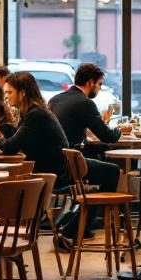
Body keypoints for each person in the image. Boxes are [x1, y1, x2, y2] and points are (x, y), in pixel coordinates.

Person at [49, 63, 126, 192]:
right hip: (71, 162)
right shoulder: (85, 103)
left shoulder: (55, 100)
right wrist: (120, 130)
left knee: (105, 149)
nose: (100, 88)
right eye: (99, 84)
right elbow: (107, 136)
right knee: (112, 170)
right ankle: (95, 210)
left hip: (54, 159)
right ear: (91, 83)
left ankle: (89, 200)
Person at [0, 71, 69, 188]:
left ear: (22, 93)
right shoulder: (32, 112)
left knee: (0, 184)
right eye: (5, 93)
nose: (6, 97)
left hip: (51, 176)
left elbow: (10, 148)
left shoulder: (35, 114)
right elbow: (15, 142)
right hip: (43, 171)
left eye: (9, 92)